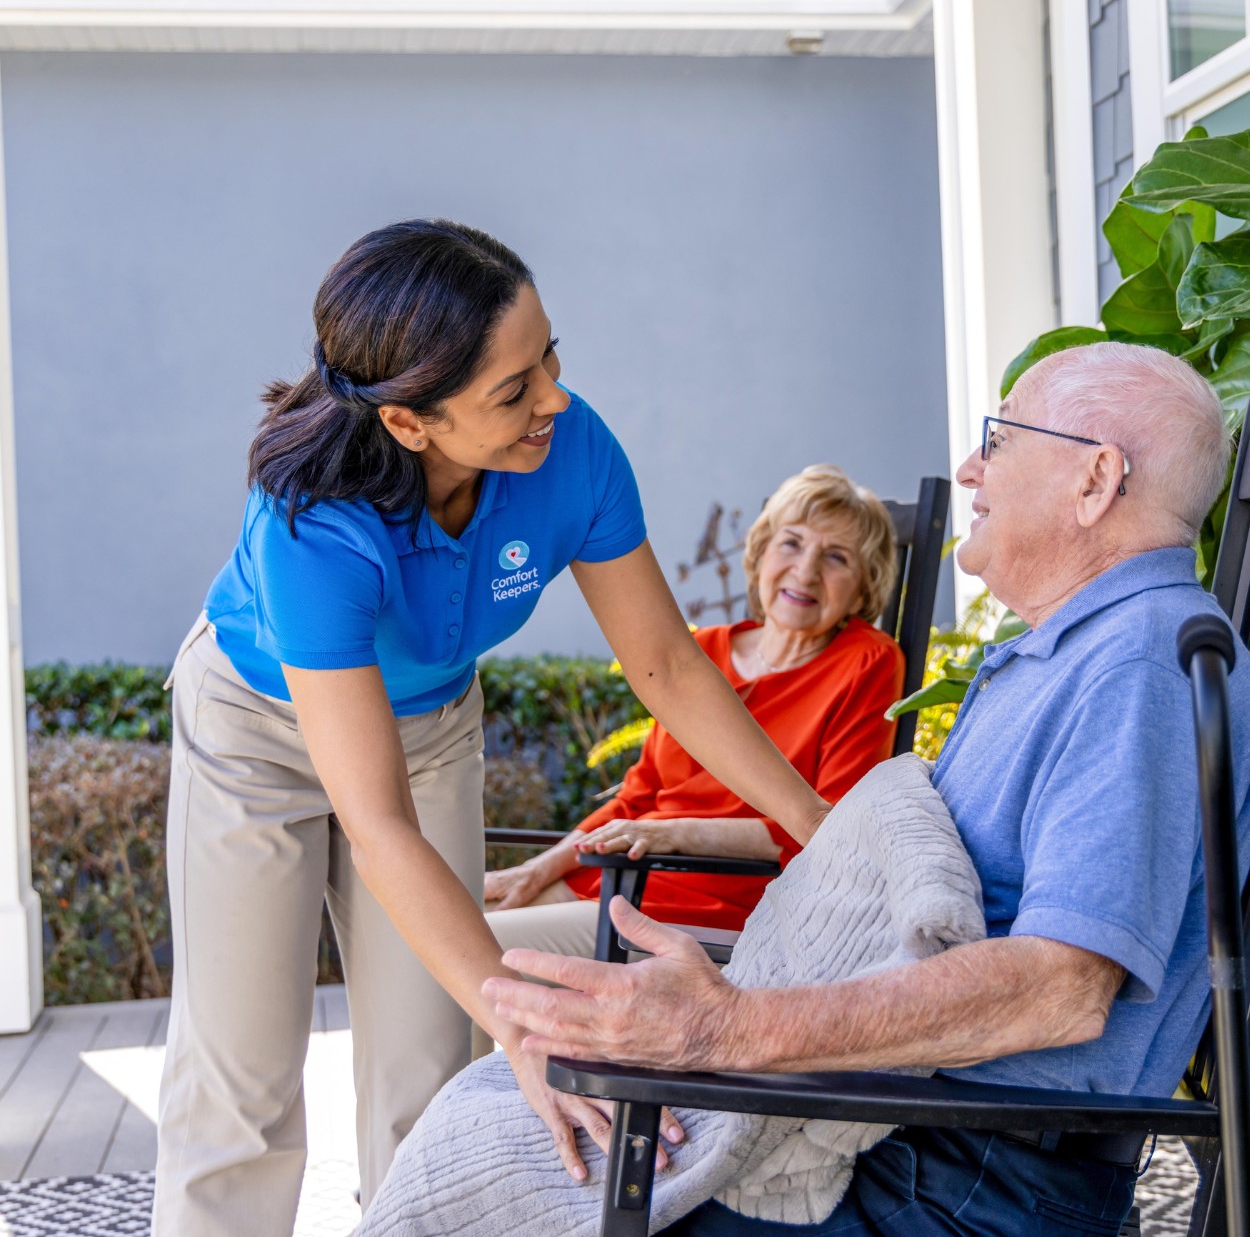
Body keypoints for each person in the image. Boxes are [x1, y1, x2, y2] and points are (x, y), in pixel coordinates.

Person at [151, 219, 835, 1237]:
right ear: (409, 422)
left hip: (428, 725)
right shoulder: (311, 523)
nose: (553, 397)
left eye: (549, 356)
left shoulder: (570, 449)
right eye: (513, 390)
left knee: (430, 1071)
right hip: (259, 733)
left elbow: (666, 664)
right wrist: (522, 1024)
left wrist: (817, 826)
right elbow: (377, 826)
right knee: (240, 1084)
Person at [485, 340, 1250, 1237]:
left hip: (960, 1178)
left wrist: (726, 1032)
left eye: (1000, 439)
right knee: (513, 1145)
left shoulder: (1138, 668)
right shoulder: (1078, 653)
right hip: (908, 1132)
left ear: (1096, 480)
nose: (971, 467)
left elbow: (1063, 987)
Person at [482, 464, 905, 969]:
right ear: (760, 553)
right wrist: (535, 870)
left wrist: (672, 834)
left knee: (468, 953)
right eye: (791, 543)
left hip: (705, 906)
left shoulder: (867, 661)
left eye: (836, 557)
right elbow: (638, 797)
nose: (806, 571)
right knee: (443, 932)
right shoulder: (699, 655)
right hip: (619, 877)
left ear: (864, 587)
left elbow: (834, 827)